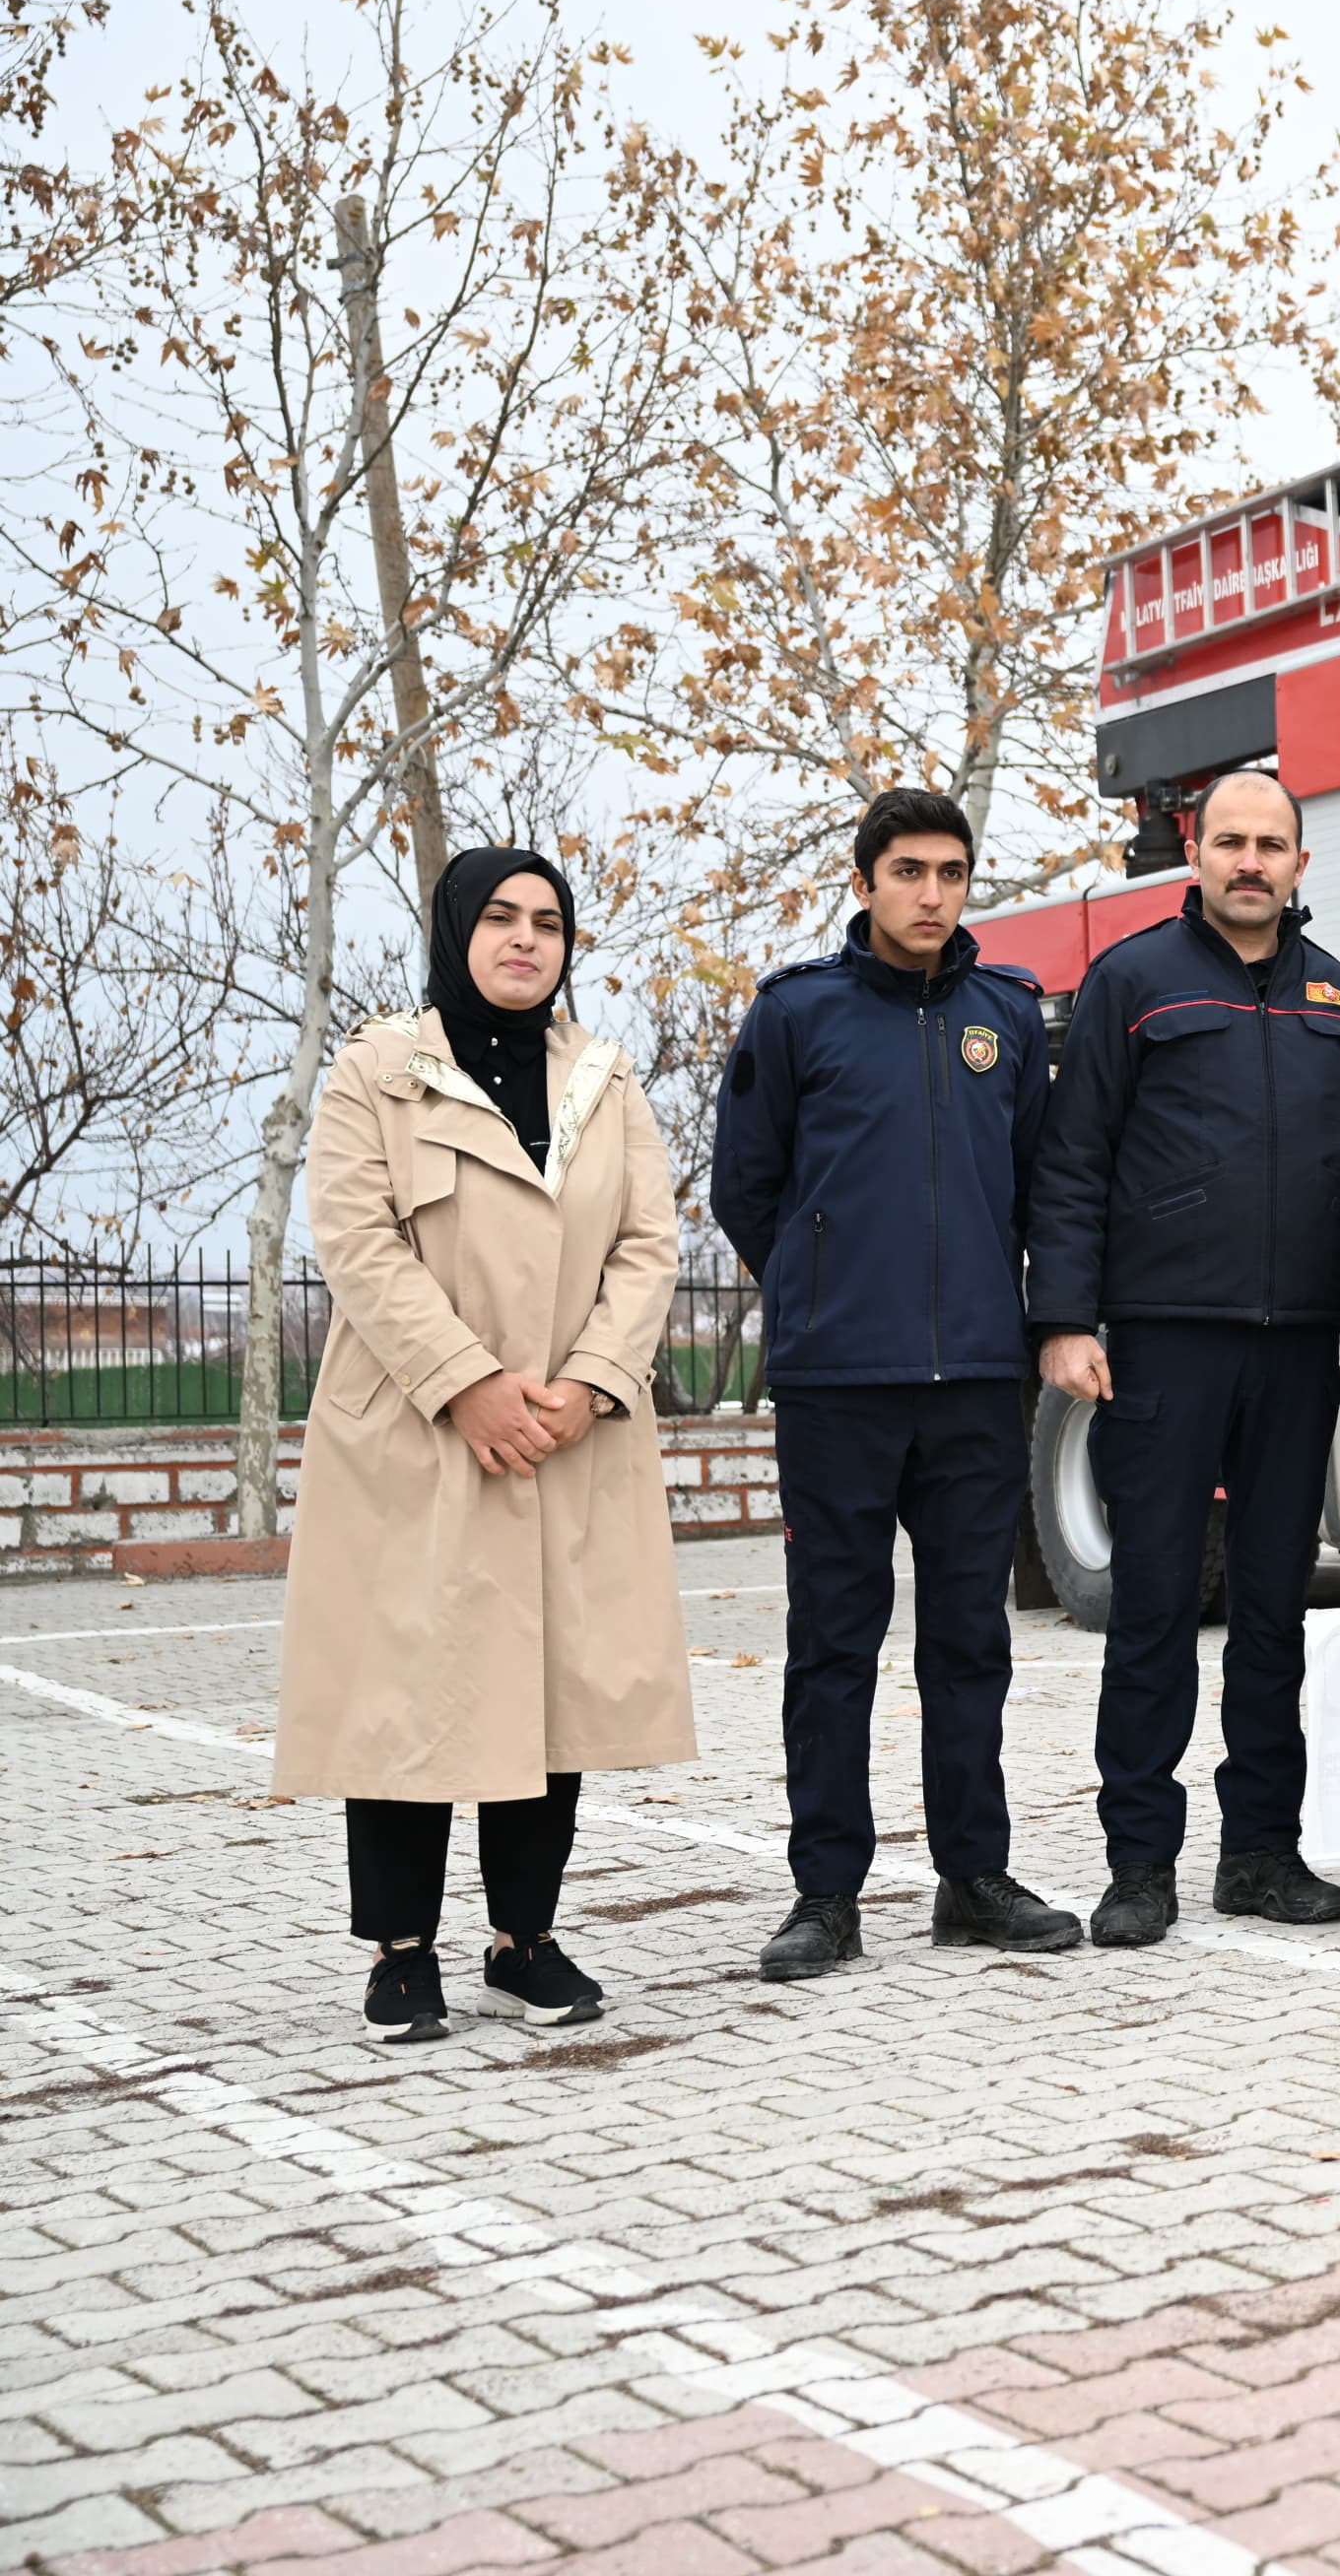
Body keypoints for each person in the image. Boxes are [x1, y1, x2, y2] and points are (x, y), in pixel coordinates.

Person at [274, 848, 693, 2043]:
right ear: (456, 929)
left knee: (552, 1691)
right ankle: (400, 1955)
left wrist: (594, 1382)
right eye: (502, 918)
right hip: (420, 1430)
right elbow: (356, 1241)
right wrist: (465, 1383)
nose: (526, 939)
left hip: (567, 1431)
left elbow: (648, 1248)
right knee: (404, 1690)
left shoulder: (604, 1080)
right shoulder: (378, 1072)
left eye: (549, 922)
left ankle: (526, 1941)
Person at [711, 789, 1080, 1979]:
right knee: (836, 1644)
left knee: (970, 1639)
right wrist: (824, 1286)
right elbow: (746, 1188)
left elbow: (1044, 1187)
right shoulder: (797, 1012)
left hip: (976, 1378)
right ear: (863, 879)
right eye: (910, 871)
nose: (933, 895)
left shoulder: (1007, 1016)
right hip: (839, 1384)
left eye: (953, 873)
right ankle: (826, 1893)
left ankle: (973, 1876)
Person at [1030, 767, 1340, 1948]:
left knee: (1279, 1611)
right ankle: (1141, 1862)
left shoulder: (1335, 997)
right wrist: (1068, 1320)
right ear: (1195, 852)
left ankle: (1261, 1852)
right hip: (1164, 1346)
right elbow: (1074, 1159)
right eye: (1229, 841)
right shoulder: (1132, 983)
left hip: (1298, 1352)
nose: (1249, 861)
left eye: (1270, 844)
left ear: (1300, 862)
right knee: (1154, 1608)